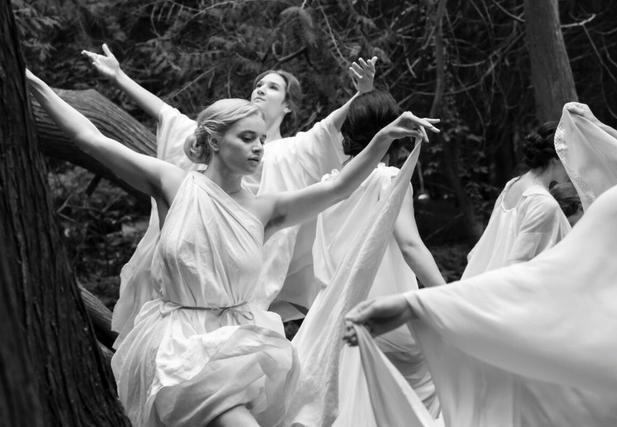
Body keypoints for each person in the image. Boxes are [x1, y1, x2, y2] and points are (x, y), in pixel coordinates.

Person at [26, 68, 438, 426]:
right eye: (247, 138)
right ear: (215, 141)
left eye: (261, 139)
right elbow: (88, 137)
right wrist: (32, 83)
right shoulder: (173, 184)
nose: (259, 147)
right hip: (176, 344)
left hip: (239, 345)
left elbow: (338, 187)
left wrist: (383, 138)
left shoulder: (265, 210)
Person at [345, 102, 617, 426]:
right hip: (524, 316)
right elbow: (531, 271)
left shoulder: (519, 189)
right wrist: (431, 304)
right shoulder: (561, 204)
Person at [81, 44, 379, 344]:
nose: (261, 89)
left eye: (273, 87)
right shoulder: (221, 141)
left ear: (287, 105)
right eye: (258, 84)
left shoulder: (292, 150)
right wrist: (119, 77)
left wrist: (361, 95)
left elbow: (329, 132)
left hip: (251, 262)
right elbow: (168, 115)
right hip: (201, 255)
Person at [302, 90, 444, 425]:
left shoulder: (329, 184)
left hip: (330, 316)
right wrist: (450, 294)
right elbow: (410, 246)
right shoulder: (389, 179)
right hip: (384, 319)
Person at [462, 121, 571, 279]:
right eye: (570, 157)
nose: (574, 166)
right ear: (556, 159)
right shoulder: (543, 203)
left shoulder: (512, 185)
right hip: (503, 288)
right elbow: (517, 264)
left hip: (481, 279)